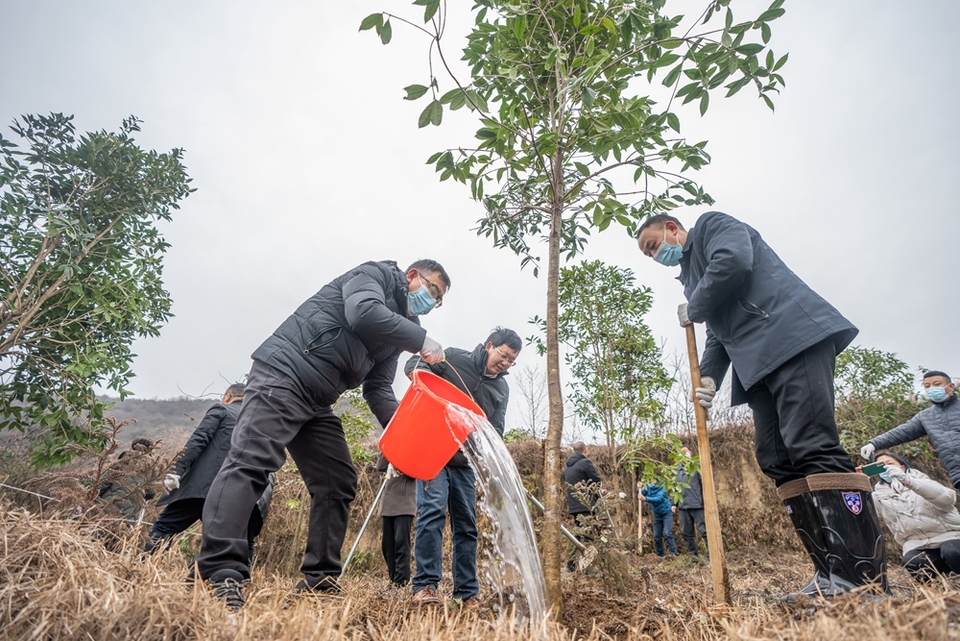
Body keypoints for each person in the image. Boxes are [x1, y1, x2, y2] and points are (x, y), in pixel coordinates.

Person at [637, 212, 886, 599]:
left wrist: (697, 304)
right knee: (775, 457)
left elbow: (734, 262)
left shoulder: (713, 227)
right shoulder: (692, 279)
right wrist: (708, 378)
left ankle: (861, 578)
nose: (655, 256)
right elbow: (719, 335)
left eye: (653, 246)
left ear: (671, 228)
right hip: (758, 365)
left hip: (791, 338)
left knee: (812, 444)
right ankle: (828, 574)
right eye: (649, 255)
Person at [195, 259, 451, 610]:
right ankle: (219, 572)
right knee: (252, 462)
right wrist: (420, 339)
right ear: (411, 277)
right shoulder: (373, 275)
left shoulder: (402, 328)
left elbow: (377, 389)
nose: (431, 301)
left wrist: (405, 431)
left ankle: (321, 579)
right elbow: (362, 312)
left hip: (316, 400)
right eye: (432, 290)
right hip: (283, 374)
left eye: (437, 300)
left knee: (337, 480)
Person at [403, 327, 520, 606]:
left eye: (510, 361)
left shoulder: (500, 388)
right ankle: (425, 586)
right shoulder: (455, 358)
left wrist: (491, 455)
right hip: (434, 451)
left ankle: (467, 592)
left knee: (466, 525)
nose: (504, 363)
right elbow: (413, 364)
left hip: (465, 462)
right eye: (503, 355)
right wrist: (432, 393)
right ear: (490, 345)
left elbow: (496, 428)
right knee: (432, 512)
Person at [146, 384, 275, 561]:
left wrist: (176, 470)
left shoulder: (222, 409)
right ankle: (233, 583)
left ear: (228, 396)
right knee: (242, 543)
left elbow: (199, 439)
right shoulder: (264, 424)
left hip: (204, 488)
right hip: (244, 494)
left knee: (164, 529)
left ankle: (141, 569)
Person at [869, 451, 960, 583]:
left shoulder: (923, 481)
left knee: (951, 550)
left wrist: (909, 482)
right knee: (912, 561)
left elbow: (947, 499)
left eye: (889, 464)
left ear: (902, 467)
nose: (885, 469)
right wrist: (859, 486)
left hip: (952, 537)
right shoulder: (878, 496)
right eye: (880, 467)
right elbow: (865, 518)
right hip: (918, 545)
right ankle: (937, 592)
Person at [861, 371, 960, 490]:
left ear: (951, 386)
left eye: (937, 384)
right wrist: (874, 443)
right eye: (927, 386)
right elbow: (903, 431)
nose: (932, 388)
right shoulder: (926, 416)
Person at [98, 437, 161, 526]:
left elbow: (103, 482)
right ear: (150, 450)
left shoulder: (123, 460)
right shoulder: (152, 468)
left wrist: (92, 497)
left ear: (132, 447)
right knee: (118, 535)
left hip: (108, 504)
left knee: (98, 531)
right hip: (130, 512)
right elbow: (151, 493)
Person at [375, 454, 416, 587]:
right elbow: (380, 466)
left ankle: (401, 580)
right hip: (388, 502)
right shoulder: (393, 450)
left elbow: (416, 471)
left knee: (401, 542)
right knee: (387, 545)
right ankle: (393, 579)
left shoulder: (413, 450)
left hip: (405, 502)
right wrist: (388, 450)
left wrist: (400, 463)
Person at [564, 441, 602, 571]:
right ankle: (586, 568)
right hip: (586, 505)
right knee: (587, 536)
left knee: (579, 535)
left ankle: (571, 566)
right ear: (585, 450)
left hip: (574, 506)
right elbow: (596, 481)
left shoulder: (568, 466)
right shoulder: (585, 463)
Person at [675, 447, 708, 559]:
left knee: (705, 532)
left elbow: (704, 484)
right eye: (682, 453)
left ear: (690, 453)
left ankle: (711, 558)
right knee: (687, 533)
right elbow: (675, 488)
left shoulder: (696, 467)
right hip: (683, 507)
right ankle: (694, 558)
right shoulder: (677, 470)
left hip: (697, 505)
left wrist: (706, 501)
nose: (684, 455)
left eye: (686, 452)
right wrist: (673, 504)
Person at [639, 480, 677, 557]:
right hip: (657, 514)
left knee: (667, 533)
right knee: (656, 536)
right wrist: (639, 488)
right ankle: (660, 555)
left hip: (667, 513)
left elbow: (658, 499)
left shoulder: (663, 486)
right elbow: (640, 493)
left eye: (654, 479)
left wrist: (645, 498)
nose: (653, 481)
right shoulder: (648, 486)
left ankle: (674, 553)